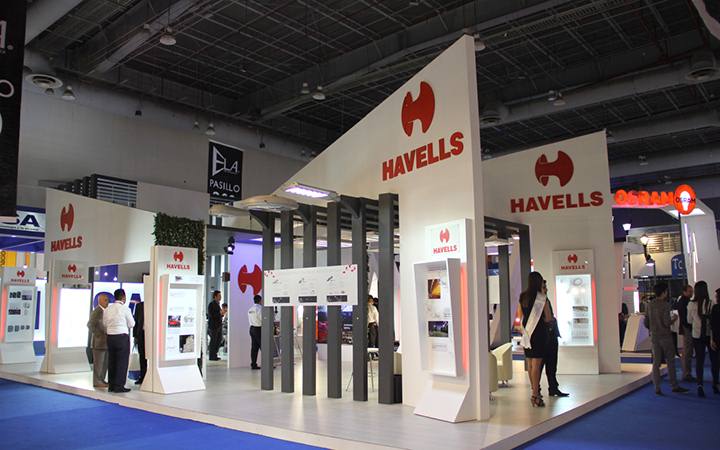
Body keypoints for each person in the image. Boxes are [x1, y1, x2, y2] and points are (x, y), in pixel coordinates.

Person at [516, 272, 552, 407]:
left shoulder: (523, 297)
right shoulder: (541, 298)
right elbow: (548, 318)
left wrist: (523, 329)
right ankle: (535, 395)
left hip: (527, 333)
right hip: (539, 332)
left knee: (530, 364)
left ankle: (535, 391)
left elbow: (519, 317)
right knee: (536, 365)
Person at [646, 283, 688, 395]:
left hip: (655, 337)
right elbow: (666, 322)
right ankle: (674, 385)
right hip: (665, 336)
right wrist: (674, 318)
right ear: (664, 292)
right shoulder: (665, 305)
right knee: (670, 361)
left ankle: (657, 387)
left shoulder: (649, 305)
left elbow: (646, 322)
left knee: (656, 363)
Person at [687, 281, 717, 397]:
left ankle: (700, 385)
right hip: (710, 336)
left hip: (697, 335)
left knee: (699, 361)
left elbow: (689, 320)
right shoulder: (711, 303)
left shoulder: (691, 304)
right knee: (714, 360)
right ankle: (715, 384)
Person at [103, 289, 135, 393]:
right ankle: (119, 386)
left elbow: (104, 323)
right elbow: (132, 324)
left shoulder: (108, 309)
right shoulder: (125, 309)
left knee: (112, 361)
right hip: (122, 337)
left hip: (110, 337)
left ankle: (111, 385)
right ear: (123, 297)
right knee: (122, 362)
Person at [541, 281, 569, 397]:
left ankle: (553, 387)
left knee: (552, 364)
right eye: (544, 287)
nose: (546, 289)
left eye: (546, 287)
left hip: (551, 336)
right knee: (542, 365)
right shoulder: (540, 301)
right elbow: (547, 318)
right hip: (544, 337)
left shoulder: (545, 300)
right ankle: (538, 390)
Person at [87, 294, 109, 388]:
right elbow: (90, 325)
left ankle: (101, 380)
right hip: (98, 343)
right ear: (100, 301)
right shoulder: (97, 311)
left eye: (107, 300)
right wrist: (98, 334)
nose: (107, 302)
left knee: (104, 363)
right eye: (105, 300)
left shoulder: (105, 311)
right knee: (98, 364)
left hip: (105, 343)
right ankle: (97, 381)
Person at [677, 284, 695, 382]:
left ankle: (687, 372)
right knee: (687, 351)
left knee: (687, 351)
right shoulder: (684, 302)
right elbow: (685, 318)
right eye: (690, 291)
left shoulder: (685, 301)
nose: (692, 293)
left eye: (692, 291)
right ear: (684, 292)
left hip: (686, 328)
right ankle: (686, 373)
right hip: (687, 328)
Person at [133, 299, 146, 385]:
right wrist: (135, 336)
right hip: (141, 334)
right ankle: (143, 377)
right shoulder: (139, 306)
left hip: (154, 335)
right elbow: (136, 322)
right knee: (142, 356)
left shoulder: (156, 304)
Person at [248, 295, 262, 370]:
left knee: (254, 348)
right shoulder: (260, 309)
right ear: (260, 300)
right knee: (264, 347)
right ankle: (268, 364)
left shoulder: (250, 309)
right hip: (259, 329)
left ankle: (253, 364)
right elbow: (263, 319)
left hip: (252, 329)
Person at [207, 290, 223, 361]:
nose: (220, 297)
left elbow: (218, 314)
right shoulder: (211, 304)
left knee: (219, 339)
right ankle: (212, 356)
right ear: (215, 296)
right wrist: (220, 314)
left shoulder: (218, 304)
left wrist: (221, 314)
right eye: (219, 296)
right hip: (213, 326)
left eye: (220, 296)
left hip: (218, 325)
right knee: (213, 341)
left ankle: (215, 354)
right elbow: (212, 315)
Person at [711, 289, 720, 394]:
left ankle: (715, 383)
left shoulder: (715, 308)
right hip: (716, 338)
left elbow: (712, 325)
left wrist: (712, 339)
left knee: (715, 362)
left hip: (717, 338)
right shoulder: (715, 308)